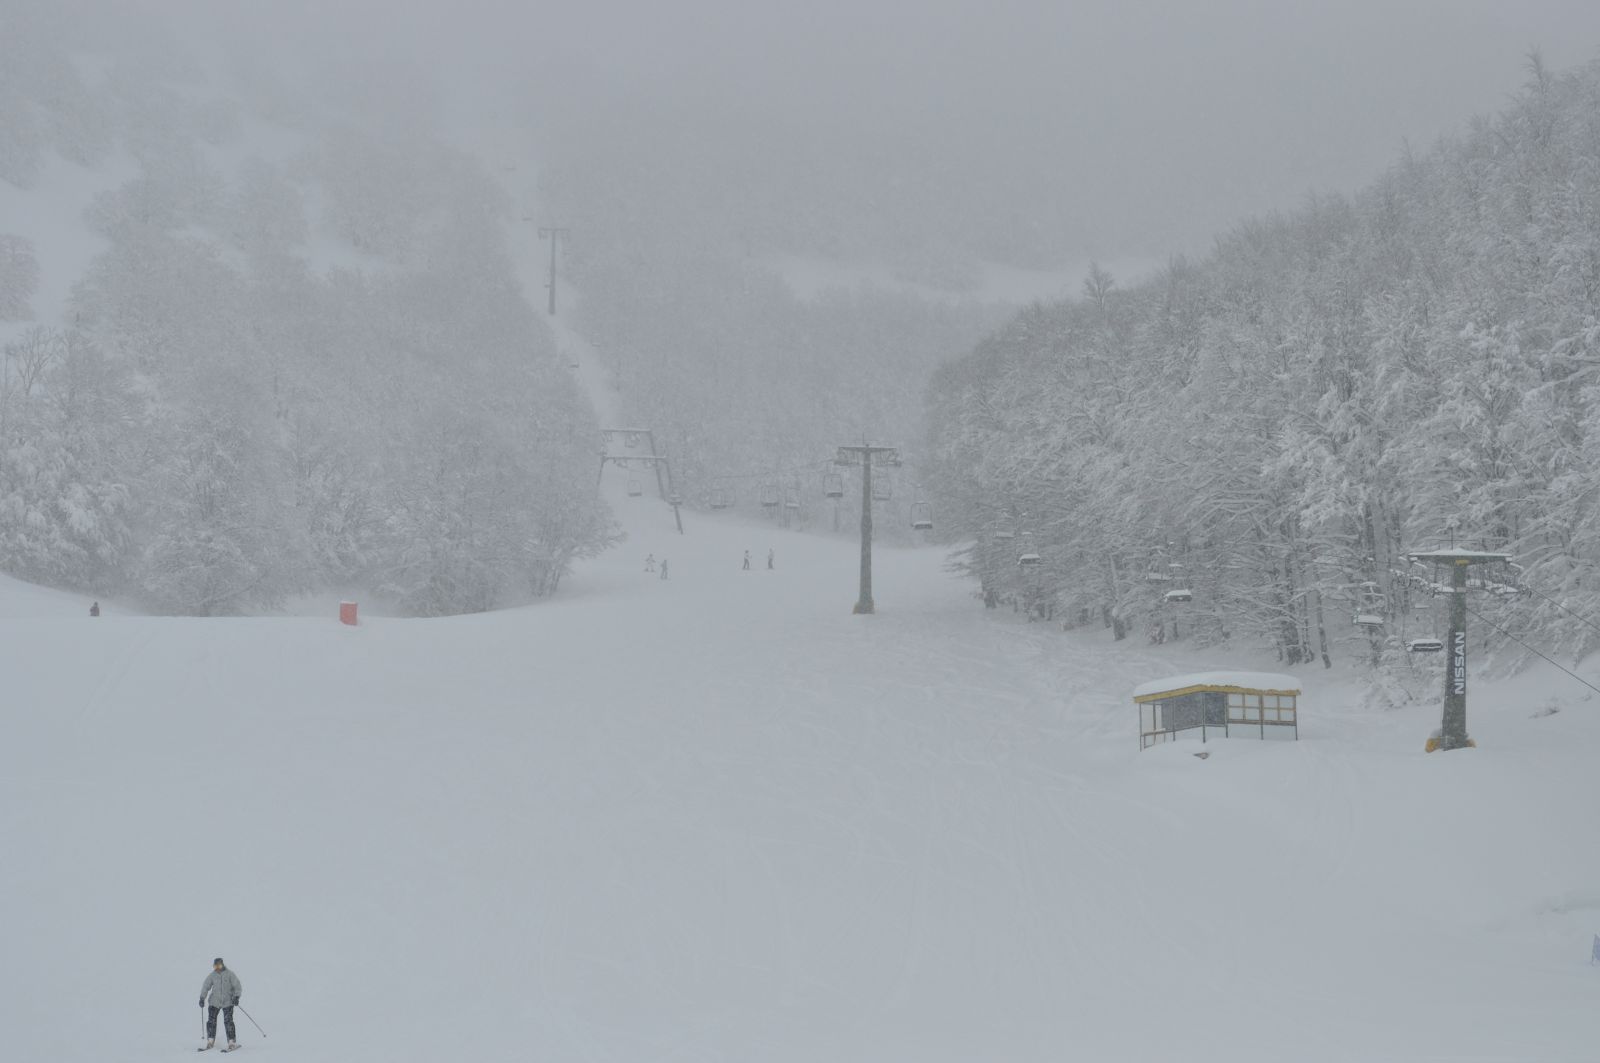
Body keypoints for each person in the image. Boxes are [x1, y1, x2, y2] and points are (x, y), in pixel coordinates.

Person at [198, 957, 243, 1051]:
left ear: (222, 965)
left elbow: (237, 986)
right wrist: (202, 998)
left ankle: (231, 1042)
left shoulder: (230, 974)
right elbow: (206, 986)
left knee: (228, 1021)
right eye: (215, 966)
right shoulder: (212, 975)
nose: (217, 968)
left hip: (228, 1002)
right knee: (211, 1021)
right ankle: (210, 1041)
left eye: (219, 966)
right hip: (214, 1002)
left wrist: (236, 997)